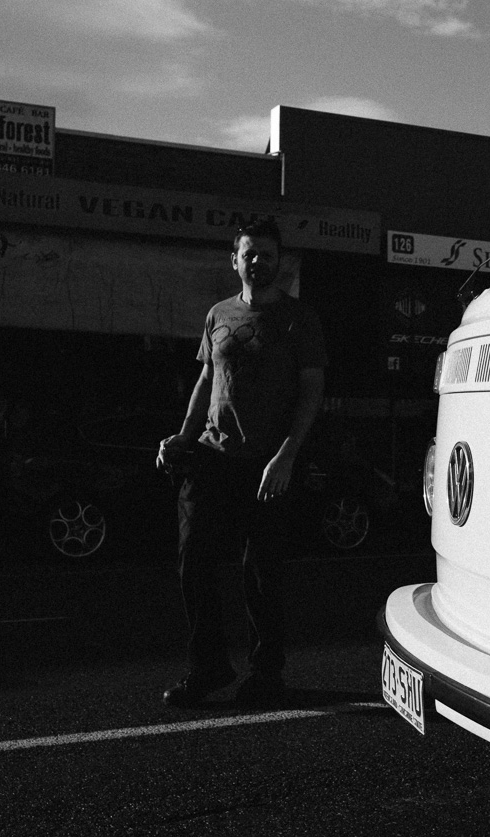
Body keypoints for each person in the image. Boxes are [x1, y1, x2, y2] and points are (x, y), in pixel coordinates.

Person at [156, 218, 326, 708]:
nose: (258, 262)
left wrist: (286, 457)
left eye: (267, 255)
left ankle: (266, 673)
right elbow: (207, 381)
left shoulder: (299, 320)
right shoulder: (218, 314)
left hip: (266, 464)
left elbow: (311, 391)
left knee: (261, 573)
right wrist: (183, 437)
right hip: (212, 456)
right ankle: (208, 666)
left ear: (279, 262)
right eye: (249, 253)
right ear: (235, 260)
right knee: (193, 561)